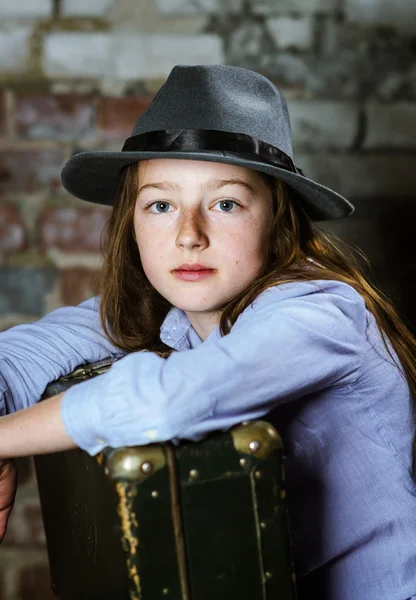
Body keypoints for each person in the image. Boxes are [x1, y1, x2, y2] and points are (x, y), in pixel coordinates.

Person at [0, 64, 415, 599]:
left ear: (278, 218)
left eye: (225, 204)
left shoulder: (318, 313)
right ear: (132, 223)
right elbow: (20, 356)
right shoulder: (165, 310)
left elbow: (171, 399)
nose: (189, 235)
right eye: (161, 204)